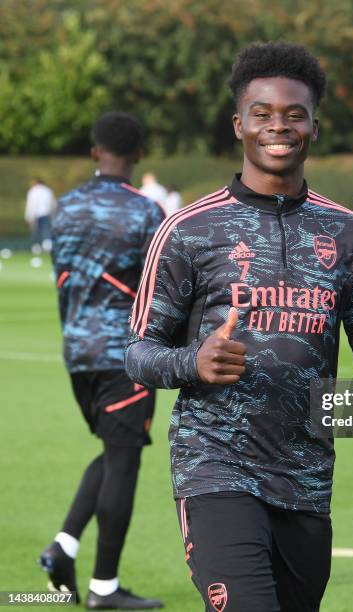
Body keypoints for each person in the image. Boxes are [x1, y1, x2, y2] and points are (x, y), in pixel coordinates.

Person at [125, 42, 353, 612]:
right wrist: (194, 362)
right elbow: (138, 352)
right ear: (239, 125)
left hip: (308, 476)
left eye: (294, 114)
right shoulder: (189, 230)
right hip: (215, 469)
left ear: (315, 125)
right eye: (262, 114)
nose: (278, 126)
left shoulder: (350, 233)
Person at [39, 111, 166, 609]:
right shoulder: (146, 212)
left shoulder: (65, 208)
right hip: (124, 357)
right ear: (138, 156)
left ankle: (63, 548)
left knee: (116, 451)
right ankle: (103, 590)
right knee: (125, 458)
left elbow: (63, 283)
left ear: (94, 153)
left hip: (77, 353)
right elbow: (161, 293)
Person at [25, 178, 57, 254]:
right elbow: (53, 203)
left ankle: (36, 248)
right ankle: (47, 247)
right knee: (45, 230)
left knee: (36, 231)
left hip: (36, 214)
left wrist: (29, 216)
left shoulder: (33, 191)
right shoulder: (48, 190)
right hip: (46, 213)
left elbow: (31, 204)